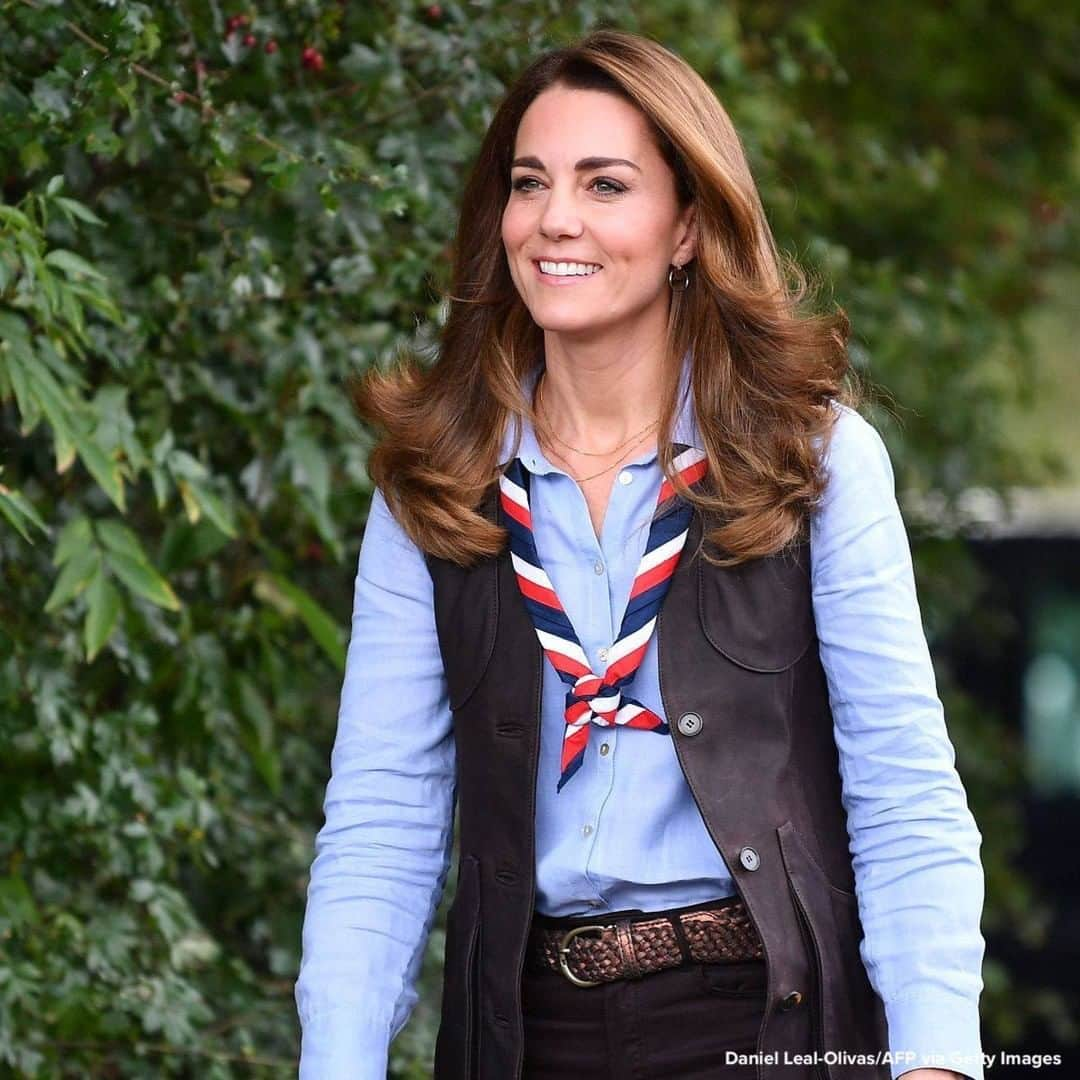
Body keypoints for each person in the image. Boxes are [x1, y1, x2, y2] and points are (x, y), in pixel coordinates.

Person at [294, 28, 985, 1080]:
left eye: (605, 184)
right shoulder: (434, 487)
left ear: (687, 228)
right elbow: (381, 823)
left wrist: (935, 1060)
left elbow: (903, 792)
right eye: (530, 185)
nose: (555, 220)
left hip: (767, 1023)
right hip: (522, 1037)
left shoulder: (814, 461)